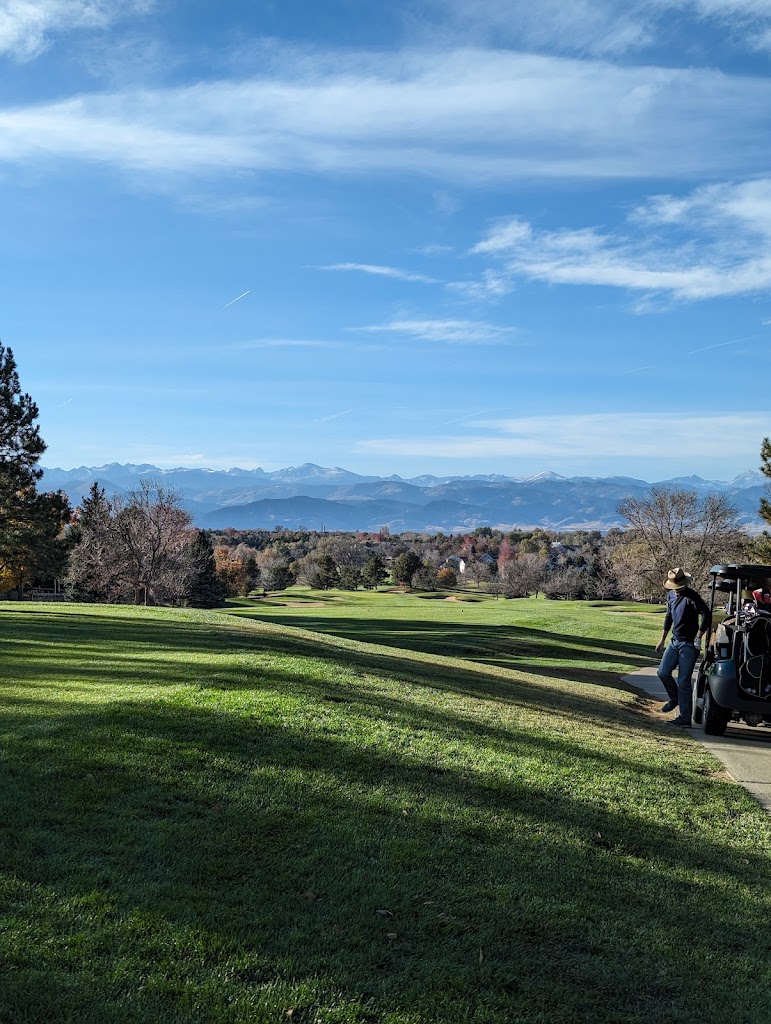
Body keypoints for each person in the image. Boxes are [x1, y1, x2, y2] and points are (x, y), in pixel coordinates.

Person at [655, 567, 711, 728]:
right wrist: (662, 640)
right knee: (662, 672)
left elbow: (706, 614)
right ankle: (675, 699)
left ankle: (685, 719)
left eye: (678, 587)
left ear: (684, 584)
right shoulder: (671, 596)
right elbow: (668, 617)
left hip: (689, 645)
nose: (676, 590)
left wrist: (699, 636)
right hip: (674, 642)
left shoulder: (692, 597)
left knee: (684, 681)